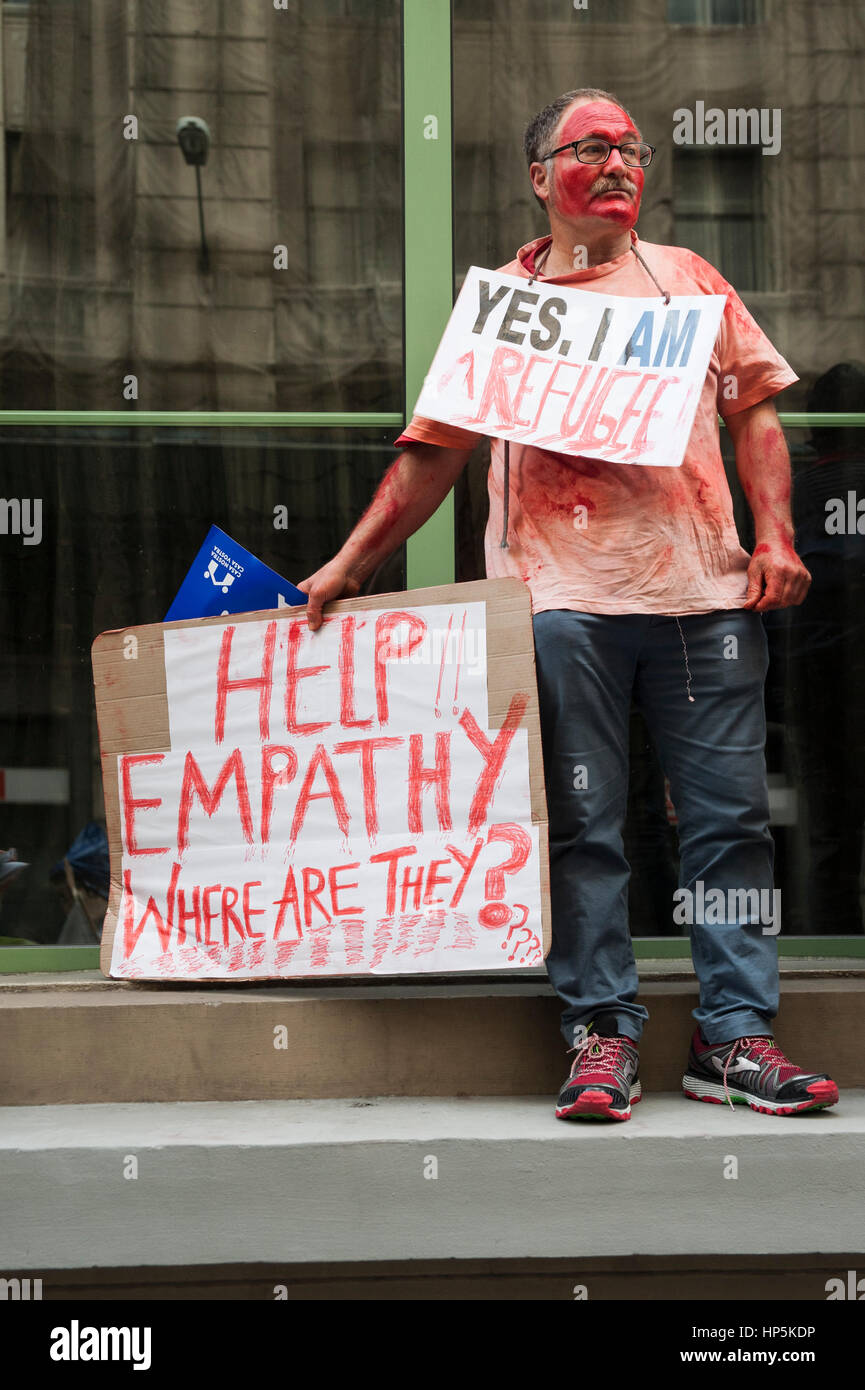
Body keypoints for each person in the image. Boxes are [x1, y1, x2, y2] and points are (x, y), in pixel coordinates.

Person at [298, 88, 839, 1122]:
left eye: (630, 148)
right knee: (582, 824)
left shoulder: (691, 283)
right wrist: (349, 565)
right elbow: (433, 453)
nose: (619, 162)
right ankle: (600, 1030)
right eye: (589, 147)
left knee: (728, 828)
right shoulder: (504, 307)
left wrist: (773, 536)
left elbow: (757, 416)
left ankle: (734, 1037)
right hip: (560, 606)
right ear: (539, 176)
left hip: (704, 598)